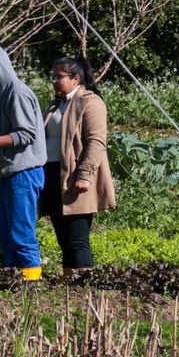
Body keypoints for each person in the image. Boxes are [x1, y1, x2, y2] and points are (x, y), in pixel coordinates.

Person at [0, 45, 47, 281]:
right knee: (7, 233)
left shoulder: (17, 92)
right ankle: (13, 279)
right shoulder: (5, 92)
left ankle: (31, 283)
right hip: (11, 173)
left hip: (23, 173)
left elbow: (27, 134)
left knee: (21, 232)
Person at [40, 57, 116, 278]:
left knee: (77, 238)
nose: (54, 81)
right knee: (63, 238)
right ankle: (69, 284)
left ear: (75, 79)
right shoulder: (56, 104)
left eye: (59, 76)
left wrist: (84, 175)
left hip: (74, 176)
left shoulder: (91, 102)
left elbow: (96, 141)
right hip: (52, 174)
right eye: (53, 76)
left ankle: (83, 287)